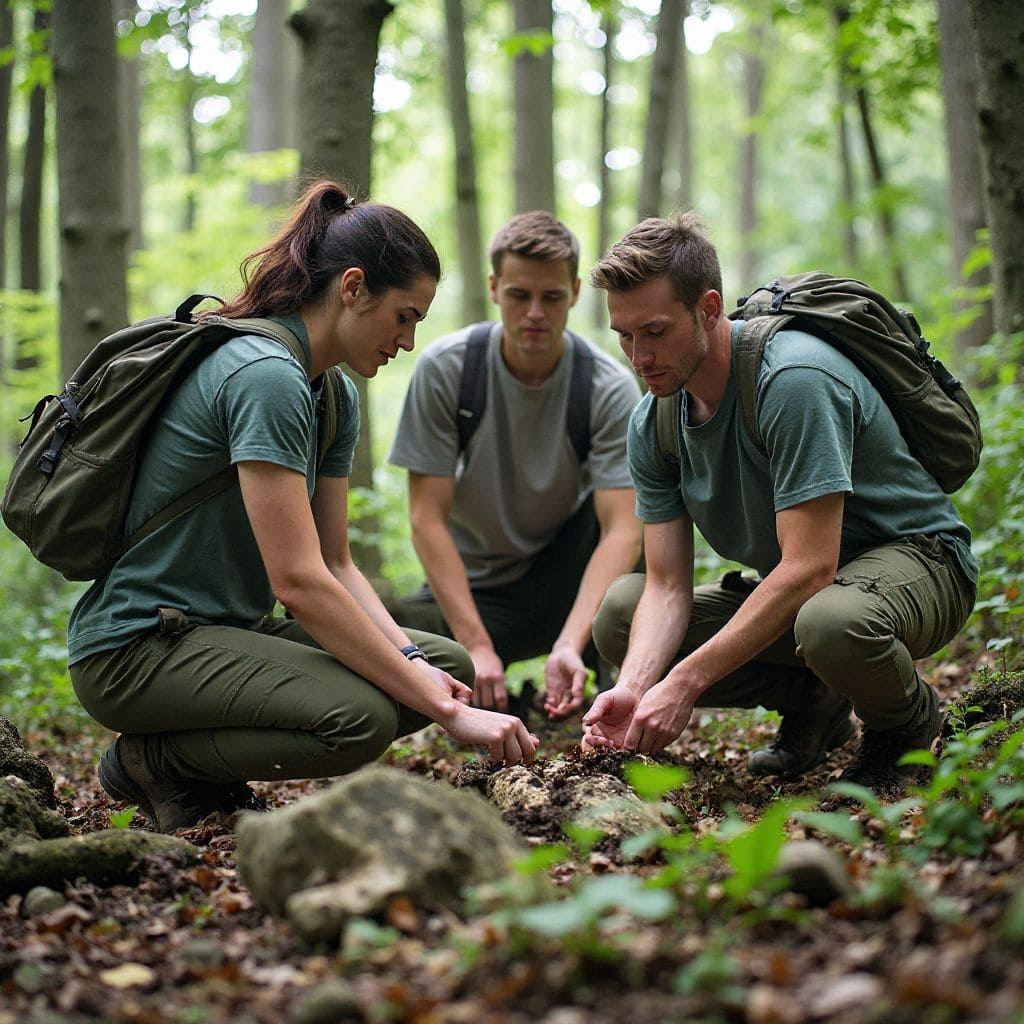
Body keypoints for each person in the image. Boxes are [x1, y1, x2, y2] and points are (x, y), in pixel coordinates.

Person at [68, 180, 538, 834]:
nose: (406, 340)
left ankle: (197, 760)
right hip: (137, 647)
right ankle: (153, 761)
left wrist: (419, 674)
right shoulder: (265, 378)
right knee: (360, 720)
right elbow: (299, 582)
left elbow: (338, 564)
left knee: (445, 668)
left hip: (223, 634)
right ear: (352, 288)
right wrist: (447, 711)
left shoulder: (330, 396)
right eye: (403, 315)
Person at [582, 213, 977, 792]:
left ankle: (908, 725)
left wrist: (686, 683)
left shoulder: (792, 379)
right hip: (810, 597)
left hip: (920, 564)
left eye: (656, 331)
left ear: (709, 308)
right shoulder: (655, 421)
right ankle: (813, 699)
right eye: (625, 335)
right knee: (621, 613)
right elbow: (666, 585)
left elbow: (809, 566)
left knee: (833, 622)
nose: (639, 356)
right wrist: (637, 689)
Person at [387, 211, 642, 720]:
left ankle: (606, 686)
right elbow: (426, 519)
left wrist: (571, 642)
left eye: (551, 297)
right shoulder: (448, 370)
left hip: (562, 583)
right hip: (475, 594)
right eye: (518, 295)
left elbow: (622, 531)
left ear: (573, 292)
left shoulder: (608, 388)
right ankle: (482, 674)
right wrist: (476, 646)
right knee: (390, 634)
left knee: (632, 524)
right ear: (493, 287)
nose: (534, 314)